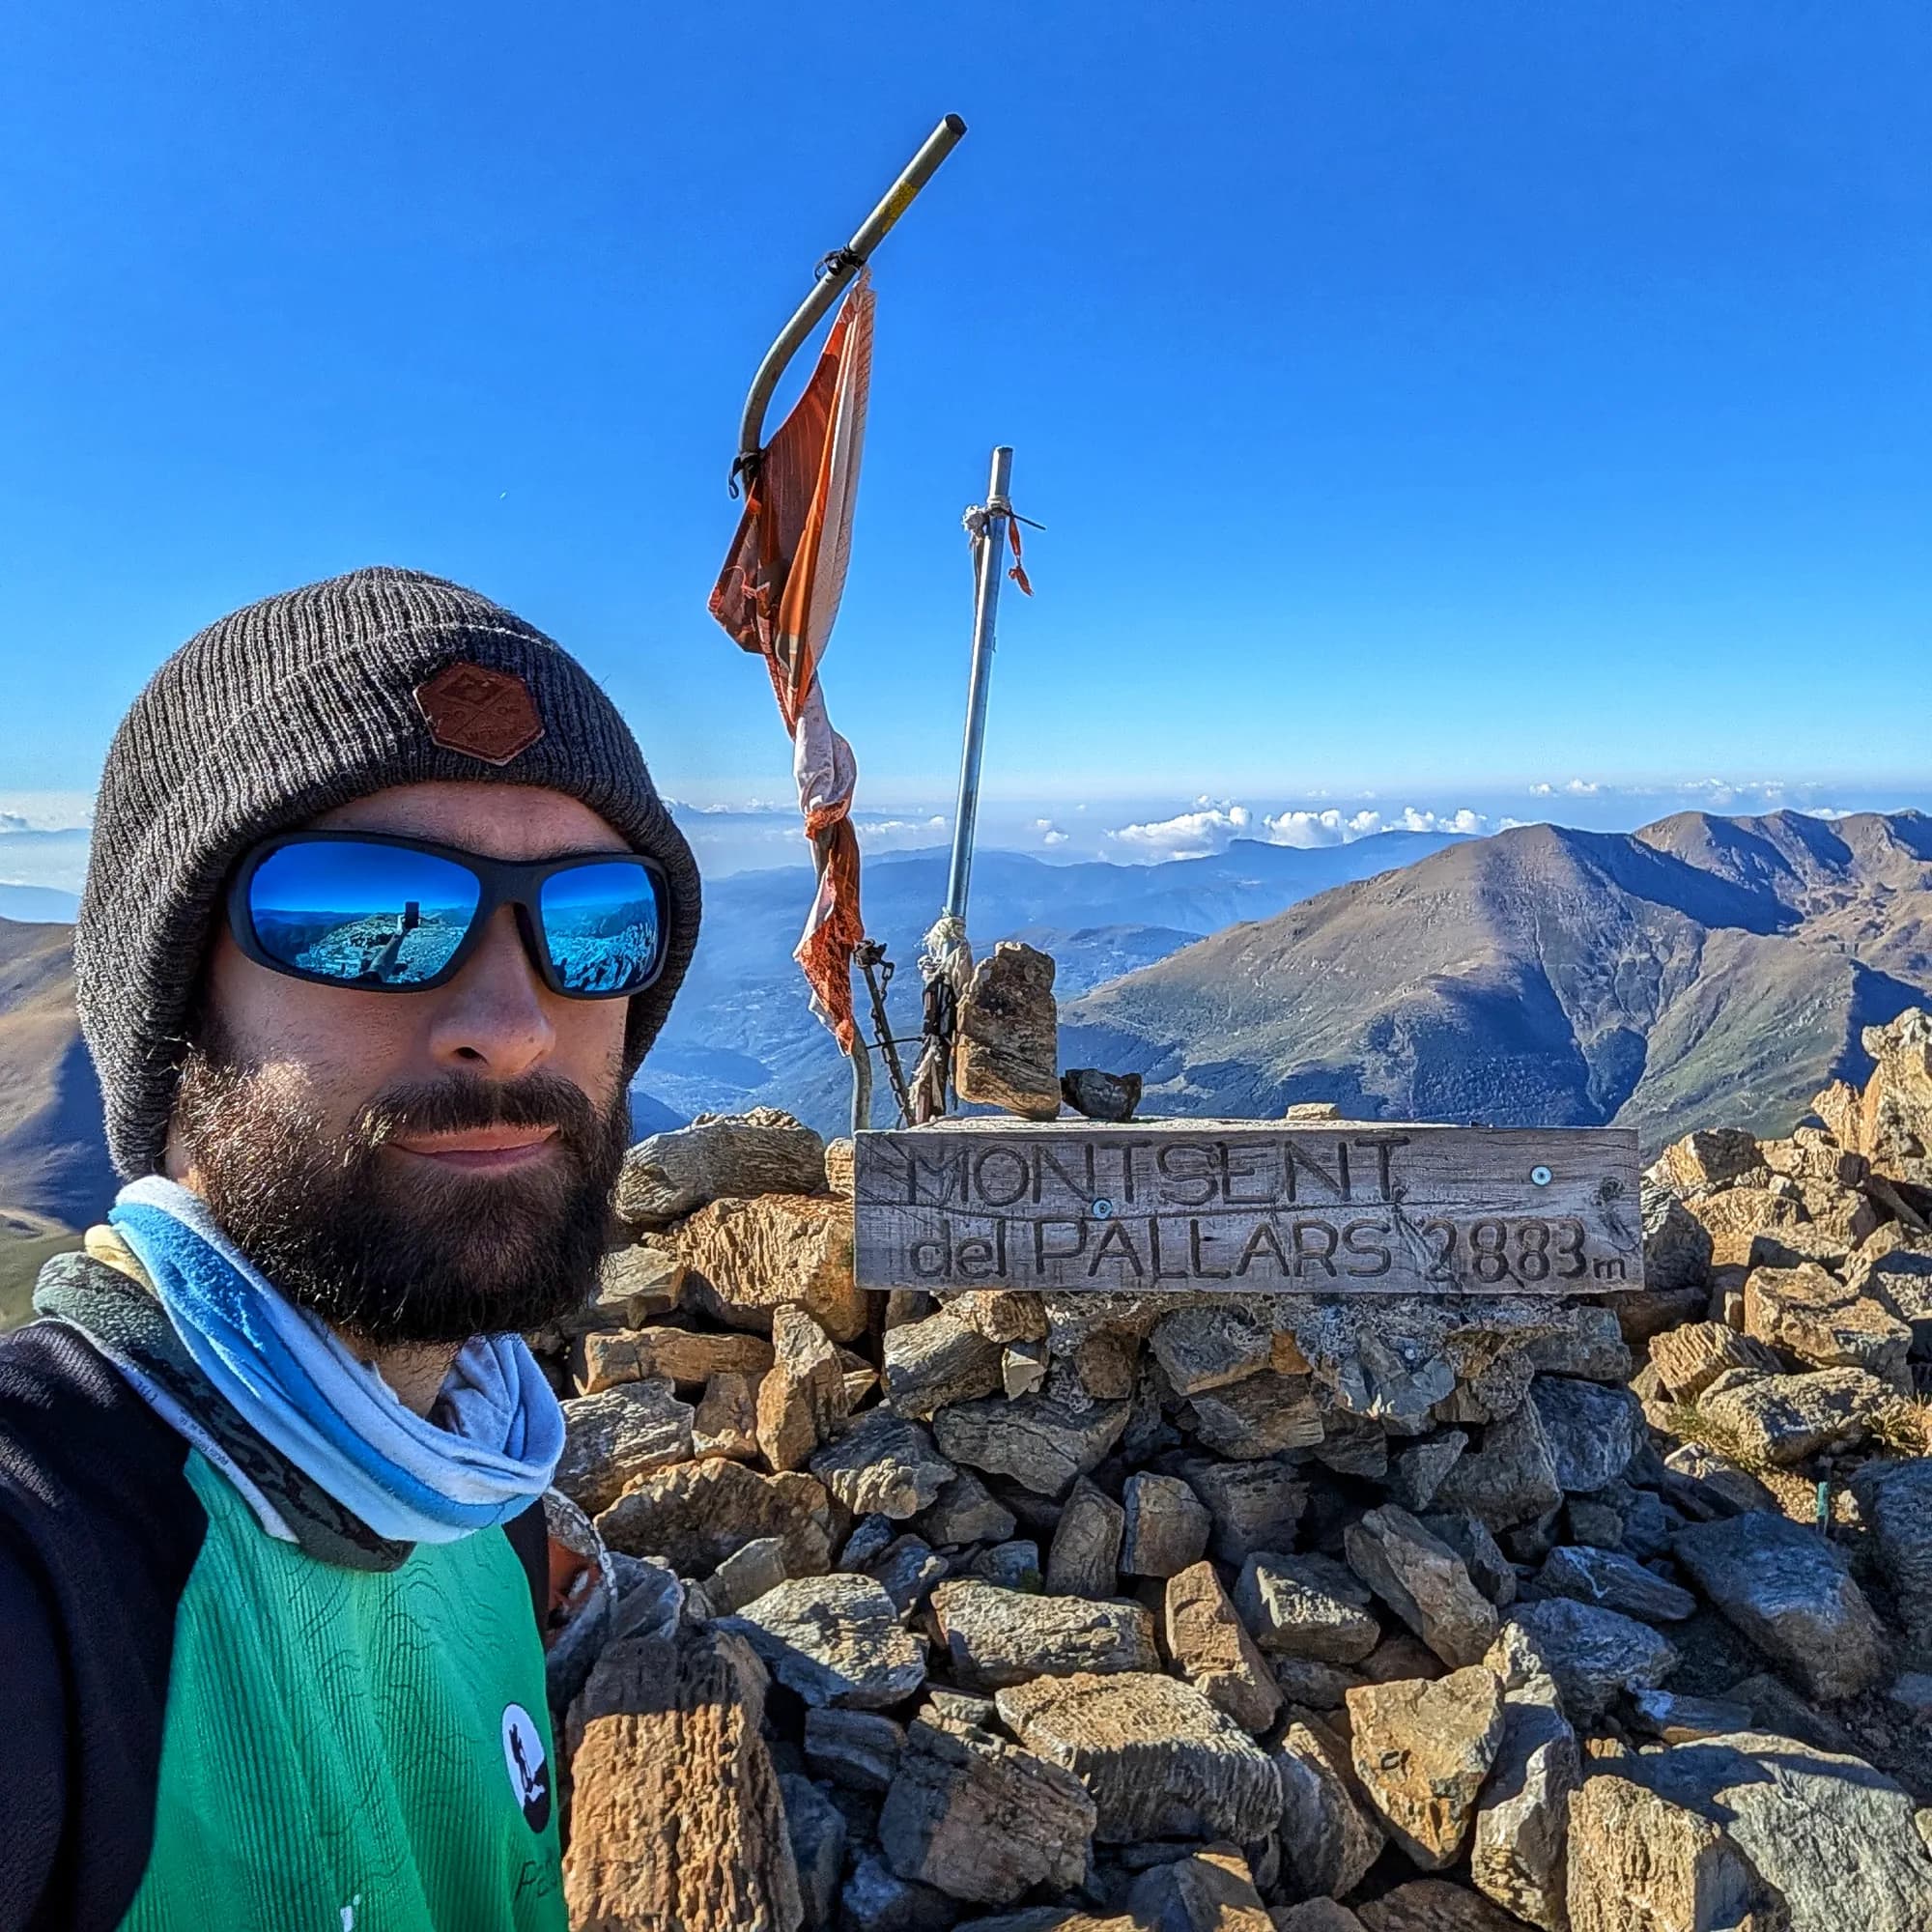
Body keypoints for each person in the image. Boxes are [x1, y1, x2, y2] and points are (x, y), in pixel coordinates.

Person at [0, 568, 700, 1931]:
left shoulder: (478, 1497)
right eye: (364, 913)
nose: (514, 1022)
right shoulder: (52, 1575)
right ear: (174, 1007)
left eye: (595, 921)